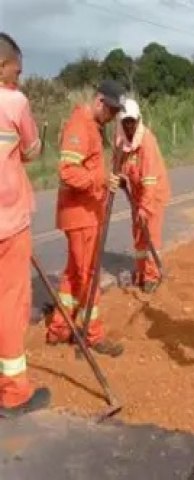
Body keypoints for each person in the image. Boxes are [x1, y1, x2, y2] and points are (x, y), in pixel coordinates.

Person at [46, 79, 126, 357]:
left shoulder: (93, 126)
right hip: (79, 216)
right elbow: (67, 172)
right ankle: (93, 335)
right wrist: (100, 179)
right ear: (99, 101)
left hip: (88, 213)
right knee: (88, 276)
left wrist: (105, 181)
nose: (113, 116)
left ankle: (59, 328)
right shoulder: (79, 125)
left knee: (72, 274)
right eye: (112, 110)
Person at [0, 32, 51, 417]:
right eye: (16, 70)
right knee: (12, 303)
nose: (19, 77)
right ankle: (14, 391)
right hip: (8, 223)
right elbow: (32, 150)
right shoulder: (14, 101)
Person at [114, 98, 170, 293]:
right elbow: (118, 163)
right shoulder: (120, 139)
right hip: (137, 192)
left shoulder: (147, 141)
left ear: (138, 120)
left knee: (150, 234)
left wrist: (145, 209)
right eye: (126, 121)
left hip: (153, 192)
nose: (129, 125)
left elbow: (150, 180)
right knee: (138, 235)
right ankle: (140, 272)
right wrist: (119, 176)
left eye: (132, 121)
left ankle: (152, 275)